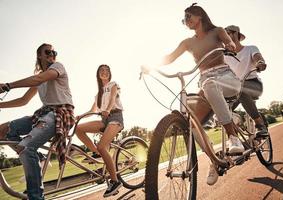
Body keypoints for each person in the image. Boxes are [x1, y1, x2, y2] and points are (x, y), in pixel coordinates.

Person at [142, 3, 244, 186]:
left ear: (199, 16)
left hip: (226, 78)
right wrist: (150, 65)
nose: (185, 21)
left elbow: (230, 43)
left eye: (187, 17)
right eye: (184, 19)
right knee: (191, 122)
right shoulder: (188, 43)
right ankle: (215, 158)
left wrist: (229, 44)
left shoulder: (217, 31)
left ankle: (233, 137)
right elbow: (170, 57)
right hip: (206, 84)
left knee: (210, 84)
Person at [0, 43, 75, 200]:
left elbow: (38, 78)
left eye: (54, 51)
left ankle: (36, 197)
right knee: (4, 130)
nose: (52, 54)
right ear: (39, 56)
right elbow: (23, 100)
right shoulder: (40, 77)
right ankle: (38, 159)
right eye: (47, 52)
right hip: (44, 113)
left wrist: (8, 85)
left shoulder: (57, 67)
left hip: (60, 113)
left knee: (26, 148)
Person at [75, 64, 124, 197]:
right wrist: (80, 116)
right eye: (102, 70)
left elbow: (113, 98)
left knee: (102, 146)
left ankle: (115, 181)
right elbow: (93, 110)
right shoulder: (98, 94)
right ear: (98, 74)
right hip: (104, 120)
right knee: (78, 129)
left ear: (110, 74)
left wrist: (107, 110)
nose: (105, 72)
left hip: (115, 117)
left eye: (107, 70)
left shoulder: (113, 84)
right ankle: (96, 152)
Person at [224, 25, 268, 137]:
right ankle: (236, 140)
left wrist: (260, 63)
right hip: (235, 88)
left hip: (253, 84)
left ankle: (260, 124)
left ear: (235, 34)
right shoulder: (224, 57)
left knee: (241, 90)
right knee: (222, 108)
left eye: (227, 34)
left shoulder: (250, 48)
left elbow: (257, 57)